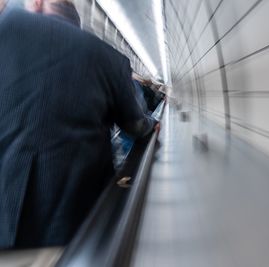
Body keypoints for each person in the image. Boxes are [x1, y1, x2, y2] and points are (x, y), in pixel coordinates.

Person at [0, 6, 158, 249]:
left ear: (38, 3)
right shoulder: (108, 57)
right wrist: (152, 126)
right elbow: (136, 124)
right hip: (72, 225)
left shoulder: (8, 26)